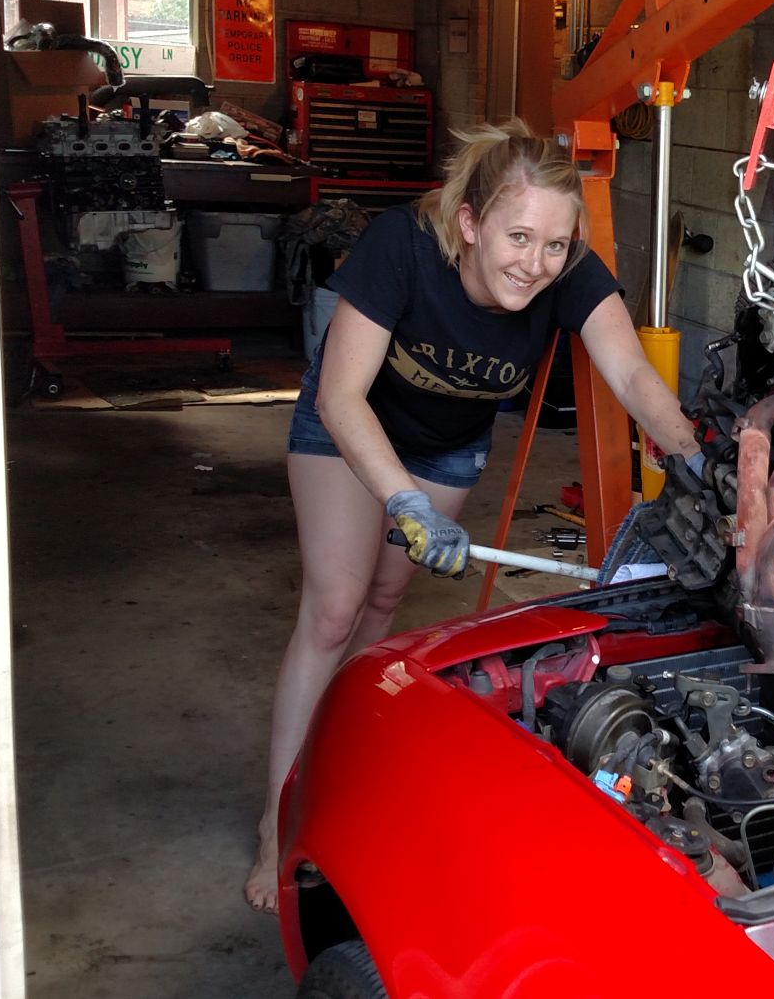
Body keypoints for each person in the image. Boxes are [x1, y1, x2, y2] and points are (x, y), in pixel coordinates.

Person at [244, 119, 702, 911]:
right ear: (469, 223)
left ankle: (341, 765)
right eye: (517, 237)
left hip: (447, 444)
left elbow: (630, 373)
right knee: (334, 610)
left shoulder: (567, 271)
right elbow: (341, 396)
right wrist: (403, 500)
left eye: (553, 245)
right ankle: (276, 821)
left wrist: (692, 454)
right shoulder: (402, 246)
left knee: (384, 600)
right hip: (348, 427)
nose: (535, 263)